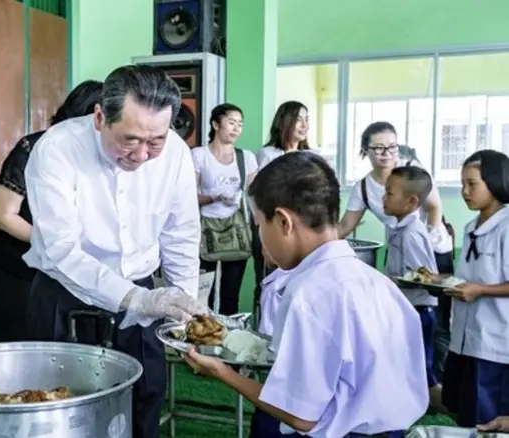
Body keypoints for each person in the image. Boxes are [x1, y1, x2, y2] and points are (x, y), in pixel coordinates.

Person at [183, 152, 429, 438]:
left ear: (283, 221)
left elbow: (301, 416)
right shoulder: (380, 283)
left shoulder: (308, 294)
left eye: (259, 225)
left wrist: (221, 372)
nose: (260, 237)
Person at [22, 65, 208, 438]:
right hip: (66, 295)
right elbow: (61, 249)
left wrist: (183, 306)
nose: (142, 155)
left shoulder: (175, 154)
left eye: (155, 141)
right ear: (99, 117)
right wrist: (135, 299)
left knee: (145, 396)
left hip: (143, 294)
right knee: (64, 407)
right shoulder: (57, 149)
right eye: (130, 140)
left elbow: (181, 234)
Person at [0, 80, 102, 342]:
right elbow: (3, 216)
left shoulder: (98, 157)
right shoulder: (34, 147)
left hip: (61, 271)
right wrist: (56, 242)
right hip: (15, 268)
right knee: (15, 346)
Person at [337, 121, 454, 382]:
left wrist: (425, 239)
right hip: (402, 247)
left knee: (436, 325)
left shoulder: (412, 174)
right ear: (365, 150)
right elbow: (345, 226)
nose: (386, 153)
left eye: (392, 147)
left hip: (431, 246)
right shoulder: (364, 187)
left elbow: (434, 208)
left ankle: (437, 385)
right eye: (378, 148)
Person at [441, 149, 509, 427]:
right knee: (464, 413)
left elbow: (481, 285)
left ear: (495, 183)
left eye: (472, 184)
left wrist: (480, 290)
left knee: (488, 420)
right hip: (466, 340)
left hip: (495, 342)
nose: (464, 192)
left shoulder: (506, 227)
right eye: (462, 184)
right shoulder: (472, 226)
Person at [191, 103, 258, 315]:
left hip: (236, 230)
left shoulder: (246, 157)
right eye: (231, 122)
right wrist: (214, 197)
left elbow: (255, 196)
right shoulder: (199, 155)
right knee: (204, 295)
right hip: (206, 231)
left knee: (231, 295)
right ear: (215, 124)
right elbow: (188, 197)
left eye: (240, 124)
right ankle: (206, 332)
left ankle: (229, 333)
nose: (236, 128)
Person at [382, 166, 442, 400]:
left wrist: (388, 281)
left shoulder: (411, 234)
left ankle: (447, 407)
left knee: (420, 369)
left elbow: (423, 276)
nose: (384, 198)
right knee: (409, 365)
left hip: (418, 311)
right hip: (409, 309)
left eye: (389, 193)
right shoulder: (401, 229)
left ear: (412, 201)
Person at [251, 101, 312, 315]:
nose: (304, 125)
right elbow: (258, 196)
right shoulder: (268, 154)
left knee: (299, 285)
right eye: (298, 119)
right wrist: (264, 238)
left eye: (307, 120)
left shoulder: (311, 156)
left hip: (302, 230)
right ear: (285, 122)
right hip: (273, 227)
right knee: (270, 284)